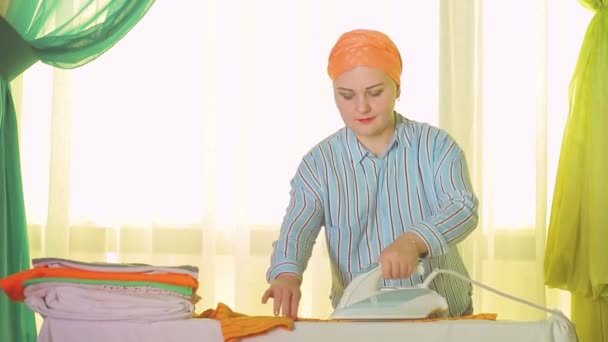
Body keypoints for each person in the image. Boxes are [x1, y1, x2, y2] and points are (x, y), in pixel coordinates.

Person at [261, 29, 478, 319]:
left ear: (397, 88)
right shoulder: (318, 165)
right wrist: (287, 274)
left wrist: (413, 241)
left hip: (447, 318)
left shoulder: (436, 146)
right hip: (358, 322)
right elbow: (297, 230)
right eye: (346, 95)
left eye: (375, 93)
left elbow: (463, 207)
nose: (361, 106)